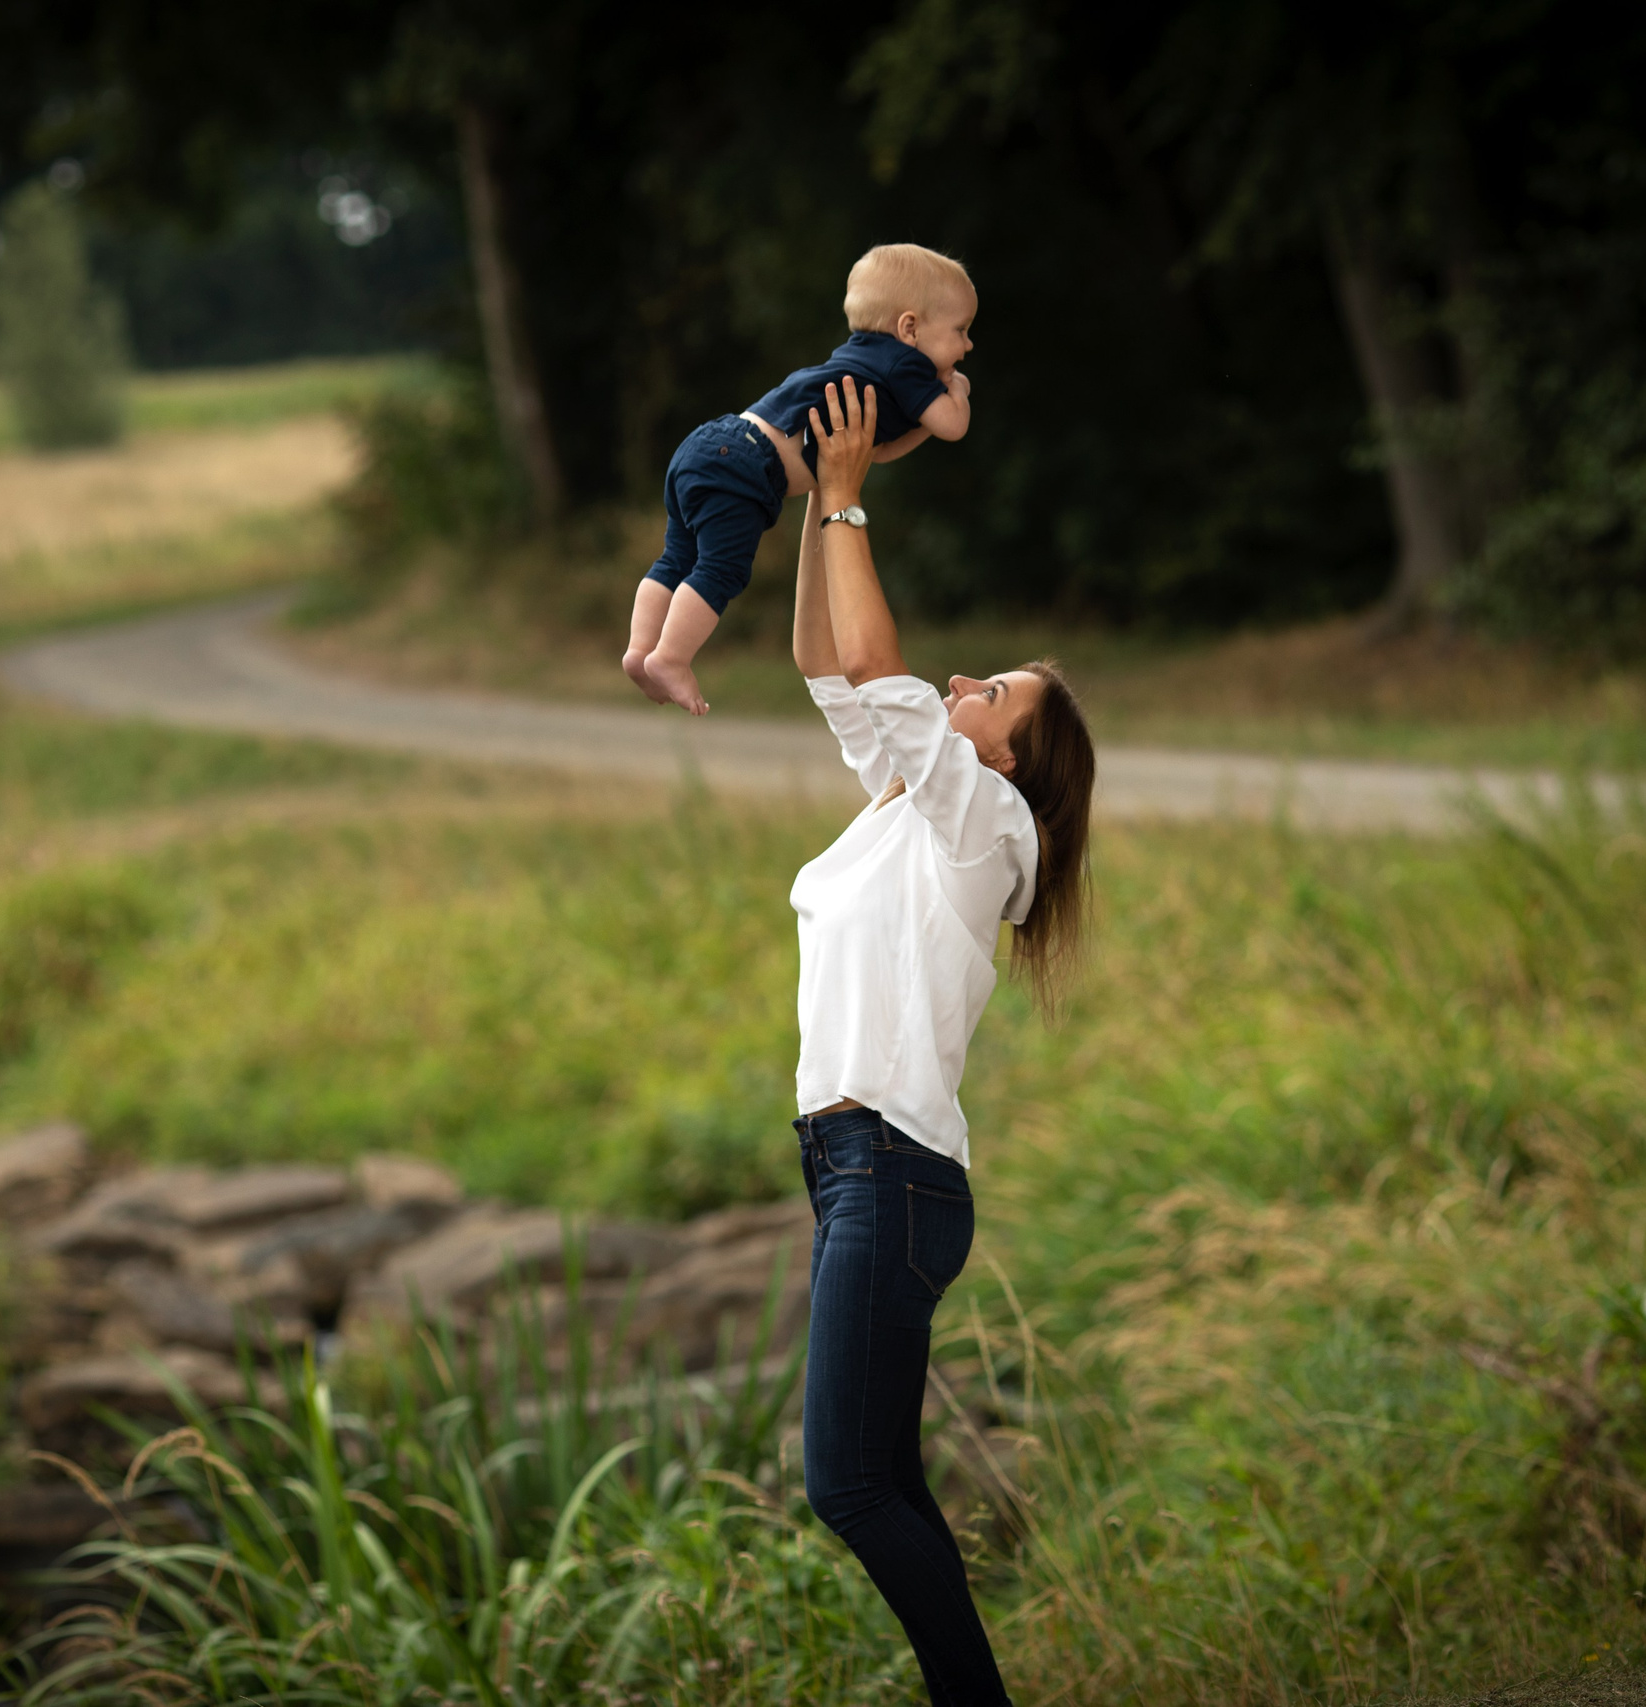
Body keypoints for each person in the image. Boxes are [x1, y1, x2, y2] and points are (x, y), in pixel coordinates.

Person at [787, 373, 1095, 1707]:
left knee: (848, 1484)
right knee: (885, 1481)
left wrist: (855, 499)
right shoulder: (914, 804)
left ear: (1013, 762)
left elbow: (879, 668)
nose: (965, 680)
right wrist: (813, 501)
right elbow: (824, 665)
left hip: (894, 1173)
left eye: (995, 693)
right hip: (851, 1168)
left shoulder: (993, 828)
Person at [624, 243, 977, 716]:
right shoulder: (907, 364)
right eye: (961, 331)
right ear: (909, 327)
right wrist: (958, 390)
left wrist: (922, 421)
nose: (968, 346)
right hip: (748, 466)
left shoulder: (864, 359)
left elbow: (881, 448)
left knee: (677, 557)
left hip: (713, 442)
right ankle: (670, 657)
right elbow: (953, 425)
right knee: (721, 568)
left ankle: (639, 649)